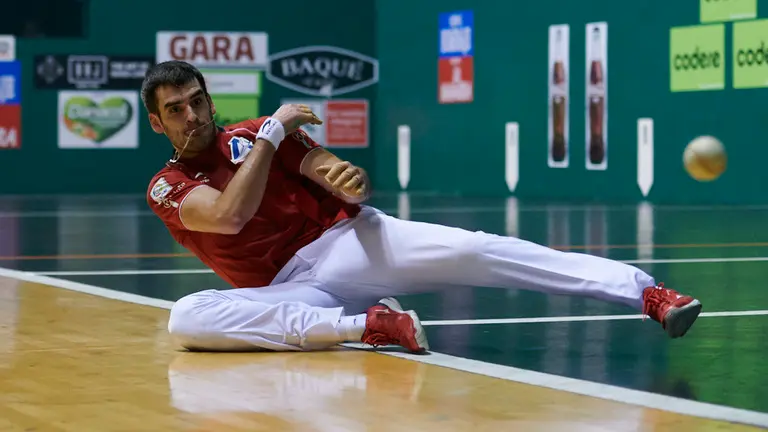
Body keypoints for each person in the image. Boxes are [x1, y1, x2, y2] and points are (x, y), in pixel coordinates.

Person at [142, 60, 702, 353]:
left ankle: (646, 293)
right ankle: (372, 327)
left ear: (209, 100)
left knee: (479, 250)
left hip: (347, 247)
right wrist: (271, 132)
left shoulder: (251, 133)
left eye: (197, 101)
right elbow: (229, 216)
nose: (192, 116)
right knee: (186, 318)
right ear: (158, 123)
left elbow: (328, 170)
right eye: (176, 110)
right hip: (289, 288)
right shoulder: (168, 185)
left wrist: (347, 180)